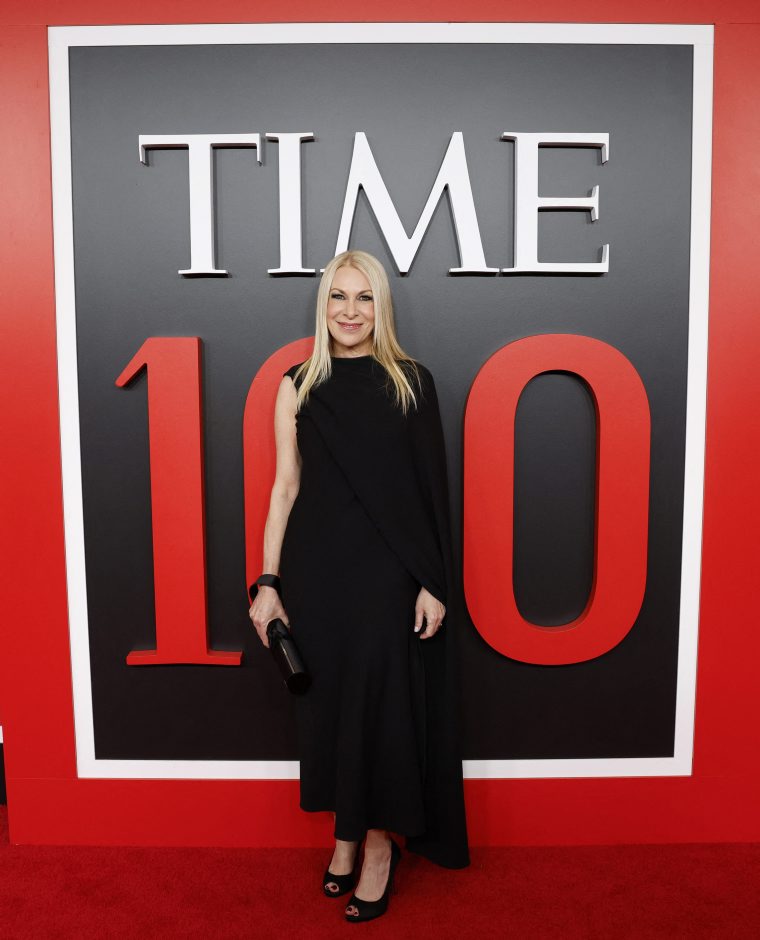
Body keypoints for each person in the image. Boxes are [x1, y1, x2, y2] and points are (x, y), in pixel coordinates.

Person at [248, 249, 469, 923]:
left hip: (386, 576)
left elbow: (430, 493)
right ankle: (345, 836)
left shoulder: (411, 383)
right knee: (332, 710)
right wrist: (267, 582)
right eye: (338, 297)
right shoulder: (297, 384)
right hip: (317, 576)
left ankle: (377, 849)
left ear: (381, 307)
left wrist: (432, 581)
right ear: (323, 307)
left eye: (364, 297)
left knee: (378, 712)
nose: (350, 311)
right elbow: (285, 488)